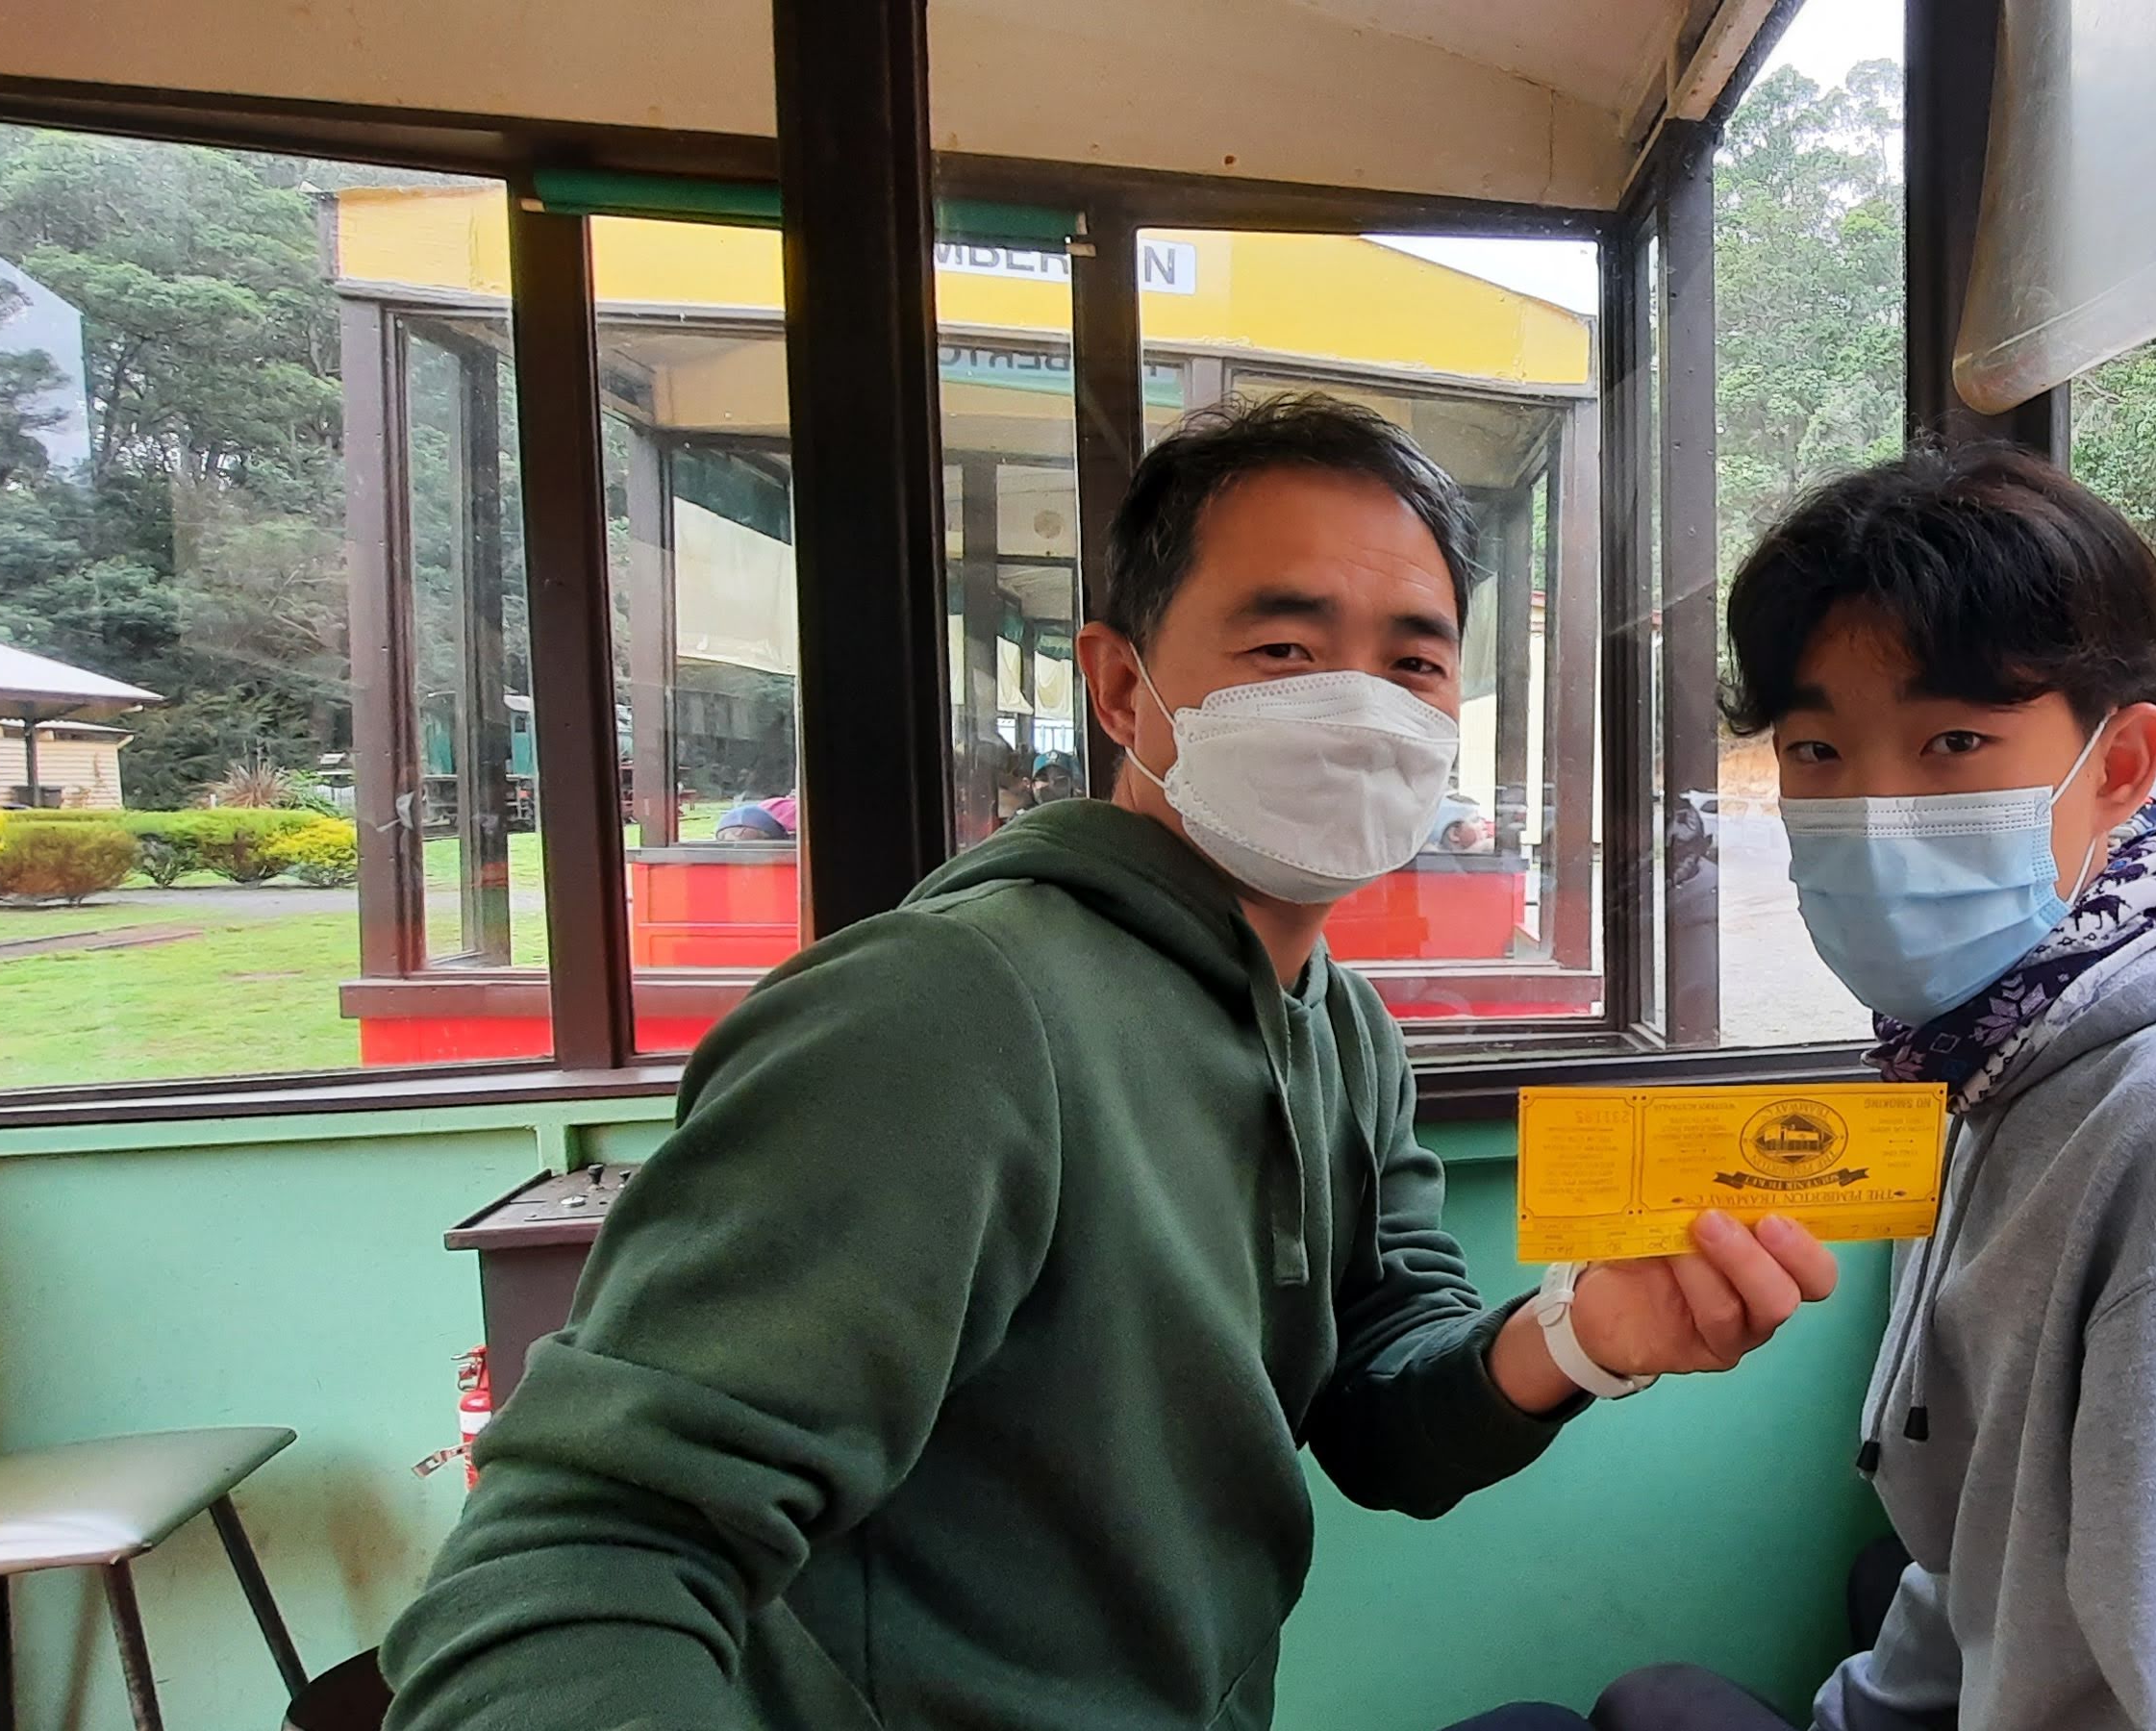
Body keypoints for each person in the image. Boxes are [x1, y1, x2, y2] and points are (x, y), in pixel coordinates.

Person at [381, 393, 1841, 1731]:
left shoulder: (1340, 1027)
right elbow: (590, 1554)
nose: (1360, 706)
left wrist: (1585, 1335)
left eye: (1413, 663)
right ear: (1122, 688)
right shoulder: (944, 1011)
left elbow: (1385, 1415)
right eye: (1284, 649)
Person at [1545, 446, 2156, 1730]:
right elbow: (1987, 1568)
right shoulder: (1984, 1067)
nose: (1874, 810)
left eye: (1954, 741)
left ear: (2120, 768)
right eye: (1818, 750)